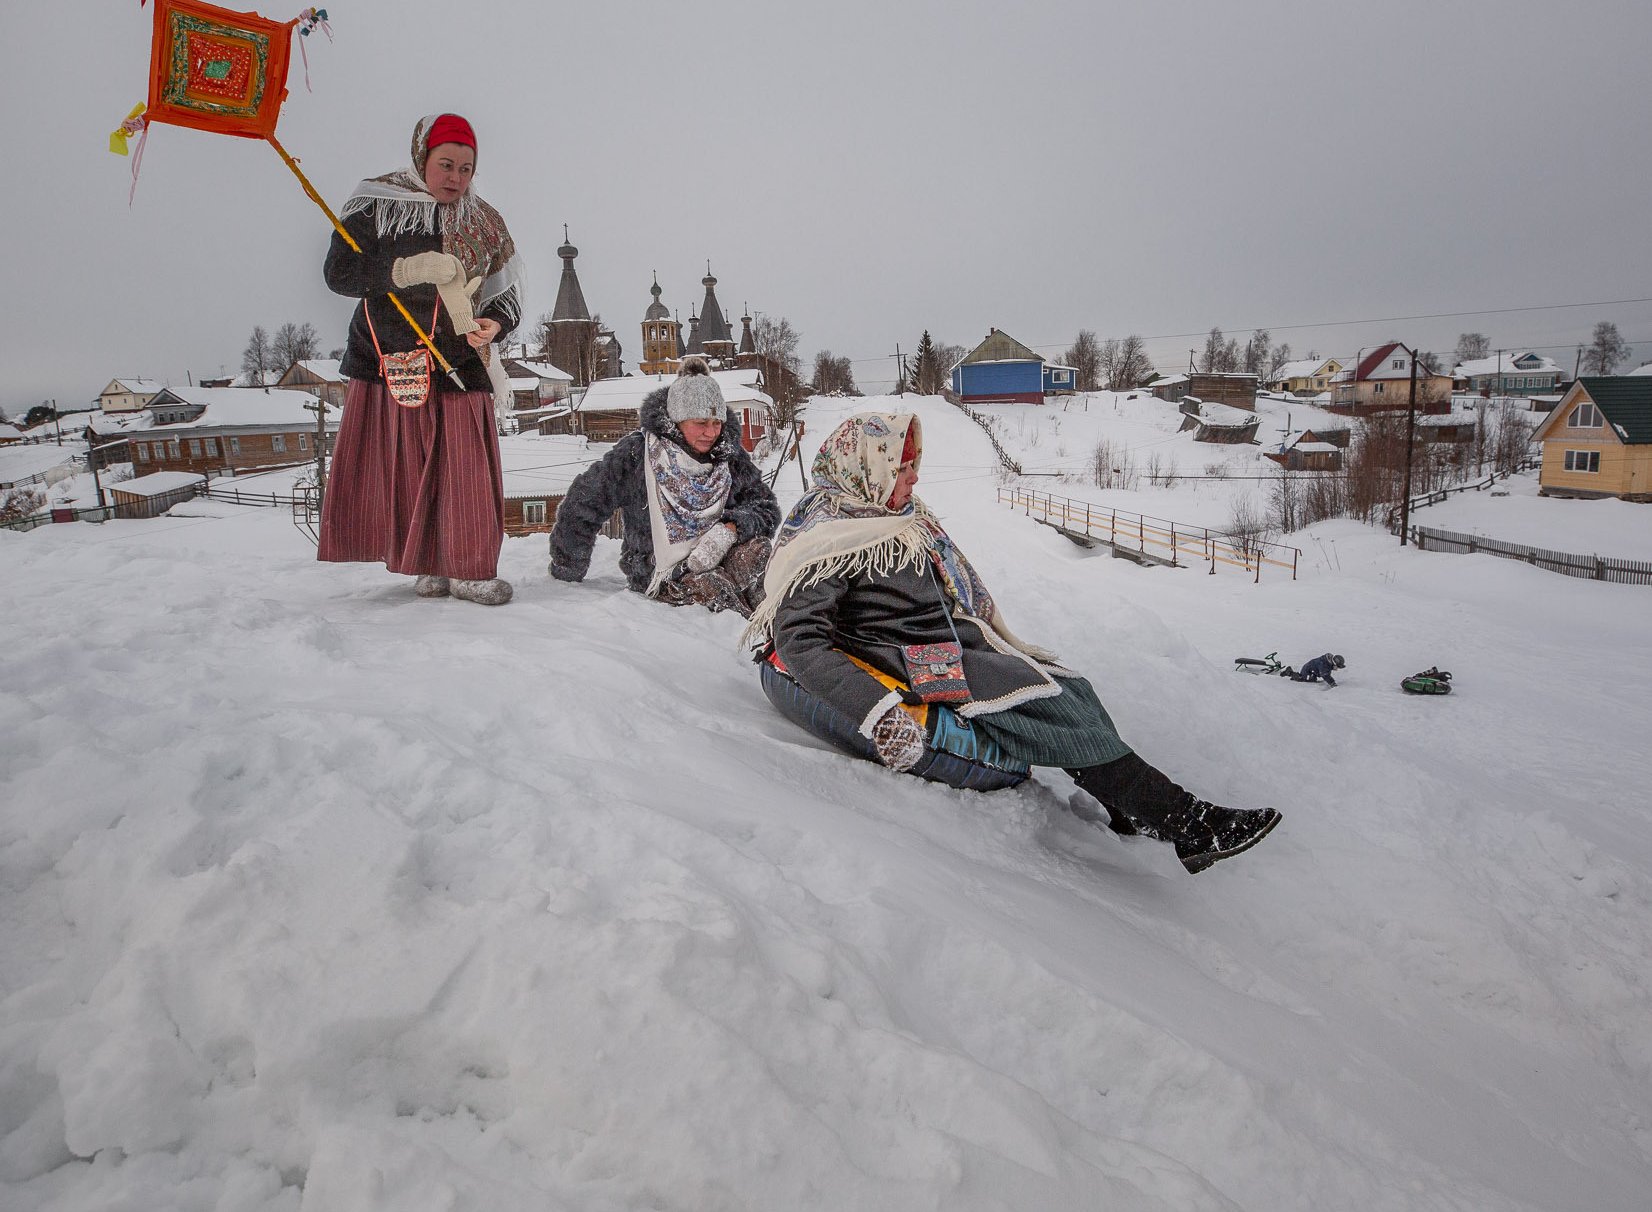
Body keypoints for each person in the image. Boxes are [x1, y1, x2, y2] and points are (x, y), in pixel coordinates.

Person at [747, 412, 1281, 874]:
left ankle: (1129, 808)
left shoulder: (888, 513)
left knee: (1073, 689)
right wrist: (877, 711)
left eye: (913, 464)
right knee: (1037, 703)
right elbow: (800, 641)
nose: (913, 477)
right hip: (902, 658)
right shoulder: (827, 537)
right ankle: (1189, 825)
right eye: (902, 467)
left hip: (945, 638)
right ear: (866, 466)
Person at [316, 113, 523, 604]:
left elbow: (506, 291)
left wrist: (495, 323)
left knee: (464, 470)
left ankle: (469, 568)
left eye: (466, 169)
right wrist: (404, 270)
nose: (455, 178)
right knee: (408, 470)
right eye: (446, 165)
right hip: (387, 359)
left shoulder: (484, 221)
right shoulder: (376, 205)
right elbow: (339, 273)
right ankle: (430, 565)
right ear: (421, 157)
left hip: (458, 362)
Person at [548, 358, 780, 616]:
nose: (711, 432)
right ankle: (748, 641)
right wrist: (568, 568)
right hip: (660, 569)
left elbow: (764, 506)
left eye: (717, 423)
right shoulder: (638, 454)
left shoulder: (730, 457)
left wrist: (730, 528)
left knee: (763, 562)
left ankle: (772, 625)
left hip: (720, 554)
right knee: (715, 589)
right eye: (701, 422)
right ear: (676, 420)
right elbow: (583, 502)